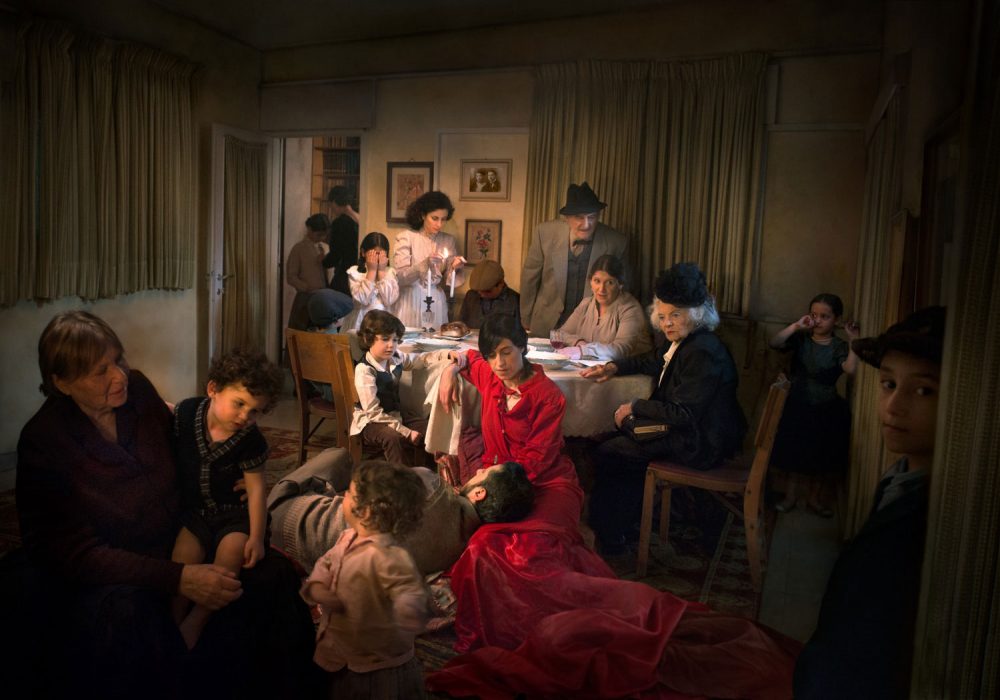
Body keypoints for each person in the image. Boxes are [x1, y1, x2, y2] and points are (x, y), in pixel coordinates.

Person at [429, 312, 798, 699]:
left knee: (524, 553)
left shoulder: (548, 396)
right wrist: (453, 367)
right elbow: (468, 356)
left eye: (506, 352)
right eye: (493, 356)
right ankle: (509, 616)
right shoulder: (488, 373)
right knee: (483, 549)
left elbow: (535, 465)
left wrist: (491, 485)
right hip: (503, 485)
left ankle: (571, 619)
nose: (499, 363)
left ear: (523, 347)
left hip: (546, 486)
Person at [14, 311, 317, 698]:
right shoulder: (45, 441)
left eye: (119, 360)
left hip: (187, 530)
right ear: (61, 382)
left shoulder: (137, 391)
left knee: (270, 578)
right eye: (100, 371)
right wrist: (177, 577)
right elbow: (73, 553)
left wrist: (230, 476)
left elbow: (185, 443)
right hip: (120, 569)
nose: (120, 376)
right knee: (135, 624)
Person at [794, 306, 946, 699]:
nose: (894, 407)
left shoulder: (937, 507)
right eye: (889, 384)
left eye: (924, 391)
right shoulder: (901, 475)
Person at [582, 262, 747, 554]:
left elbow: (684, 414)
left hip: (700, 442)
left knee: (612, 451)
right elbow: (651, 360)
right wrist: (613, 366)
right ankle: (622, 523)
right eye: (662, 317)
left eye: (675, 315)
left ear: (695, 316)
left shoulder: (702, 351)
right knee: (614, 441)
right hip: (689, 433)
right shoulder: (686, 341)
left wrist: (636, 406)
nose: (667, 323)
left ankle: (611, 535)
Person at [267, 448, 534, 576]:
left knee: (339, 457)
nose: (478, 470)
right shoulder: (456, 551)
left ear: (479, 493)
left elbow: (365, 485)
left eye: (484, 473)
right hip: (317, 559)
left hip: (290, 521)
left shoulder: (431, 485)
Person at [170, 348, 284, 649]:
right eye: (239, 404)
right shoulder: (186, 414)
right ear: (213, 389)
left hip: (235, 514)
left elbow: (256, 490)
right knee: (182, 556)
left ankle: (198, 619)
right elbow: (162, 416)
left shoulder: (250, 440)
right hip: (195, 512)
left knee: (232, 552)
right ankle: (173, 619)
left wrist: (257, 538)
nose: (245, 417)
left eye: (255, 411)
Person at [301, 460, 429, 699]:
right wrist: (317, 586)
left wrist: (408, 610)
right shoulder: (347, 537)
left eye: (349, 493)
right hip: (342, 649)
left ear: (367, 511)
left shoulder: (390, 557)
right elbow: (327, 563)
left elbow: (407, 589)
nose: (343, 495)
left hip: (378, 664)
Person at [769, 292, 860, 516]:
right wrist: (796, 326)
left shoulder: (838, 346)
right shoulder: (801, 340)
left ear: (836, 320)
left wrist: (853, 340)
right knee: (794, 452)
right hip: (797, 403)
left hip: (825, 408)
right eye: (814, 314)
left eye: (825, 316)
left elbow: (850, 369)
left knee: (820, 455)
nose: (818, 320)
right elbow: (775, 342)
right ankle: (790, 496)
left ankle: (815, 499)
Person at [520, 181, 628, 336]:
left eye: (592, 217)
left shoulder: (616, 242)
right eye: (579, 217)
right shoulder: (544, 233)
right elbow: (529, 279)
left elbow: (622, 291)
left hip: (592, 328)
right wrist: (525, 317)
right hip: (546, 322)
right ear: (567, 218)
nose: (586, 224)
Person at [351, 310, 454, 465]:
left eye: (395, 340)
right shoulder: (365, 370)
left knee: (430, 428)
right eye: (385, 339)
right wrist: (405, 431)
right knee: (394, 438)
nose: (391, 345)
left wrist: (446, 354)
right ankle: (400, 477)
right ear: (368, 338)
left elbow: (419, 361)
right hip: (371, 421)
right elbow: (373, 412)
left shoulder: (395, 357)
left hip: (395, 414)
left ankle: (424, 471)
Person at [553, 253, 653, 361]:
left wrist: (584, 351)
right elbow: (560, 334)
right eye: (597, 281)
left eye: (609, 282)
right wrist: (578, 342)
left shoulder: (630, 309)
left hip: (628, 369)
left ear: (620, 284)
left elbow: (620, 349)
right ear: (590, 282)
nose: (601, 289)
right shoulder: (586, 304)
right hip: (592, 366)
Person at [392, 190, 466, 329]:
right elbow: (400, 277)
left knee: (435, 339)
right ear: (422, 215)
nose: (439, 224)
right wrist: (425, 264)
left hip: (436, 300)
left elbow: (449, 279)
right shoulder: (406, 237)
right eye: (435, 218)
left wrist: (455, 268)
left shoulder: (448, 240)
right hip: (411, 300)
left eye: (443, 219)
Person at [340, 231, 399, 331]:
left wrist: (381, 272)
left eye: (381, 254)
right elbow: (363, 299)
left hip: (384, 323)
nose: (377, 258)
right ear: (363, 252)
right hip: (360, 322)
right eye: (374, 254)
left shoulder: (391, 272)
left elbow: (389, 300)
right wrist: (371, 271)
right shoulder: (355, 272)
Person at [287, 212, 332, 330]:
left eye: (324, 235)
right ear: (309, 229)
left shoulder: (326, 248)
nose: (322, 238)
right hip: (306, 297)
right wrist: (305, 287)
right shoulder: (298, 249)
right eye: (319, 235)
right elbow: (291, 276)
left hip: (325, 297)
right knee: (302, 331)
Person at [458, 259, 521, 329]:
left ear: (501, 284)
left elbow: (519, 332)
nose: (482, 295)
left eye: (487, 291)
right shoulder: (471, 296)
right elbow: (461, 325)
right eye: (478, 291)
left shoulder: (515, 301)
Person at [322, 185, 360, 295]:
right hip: (360, 272)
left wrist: (324, 261)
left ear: (334, 202)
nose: (331, 208)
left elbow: (336, 253)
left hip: (346, 274)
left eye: (331, 205)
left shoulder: (340, 223)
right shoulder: (361, 218)